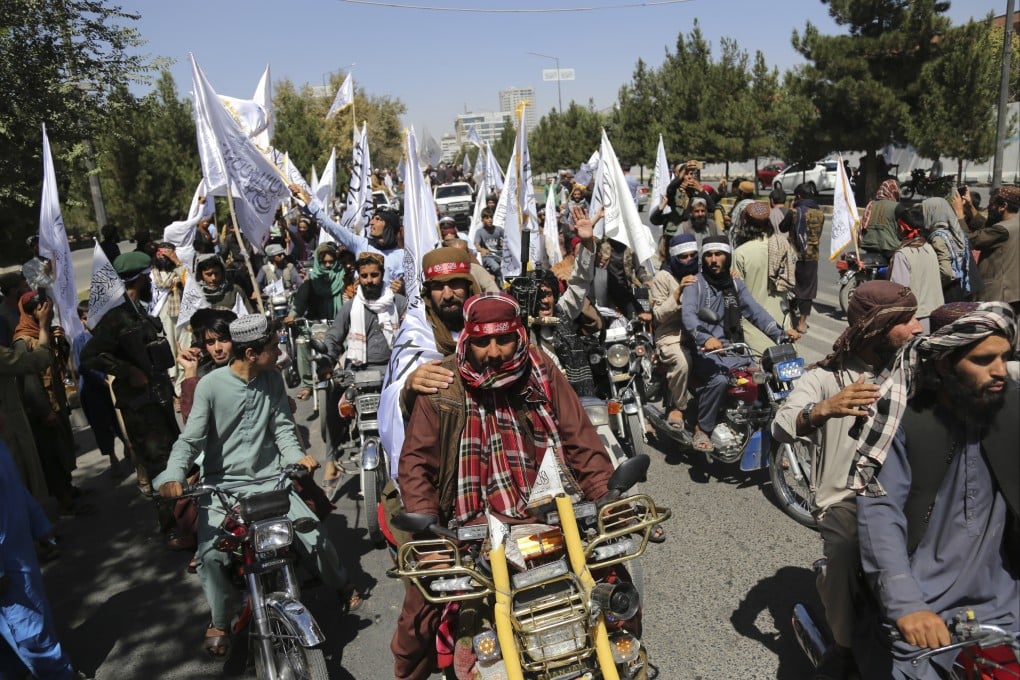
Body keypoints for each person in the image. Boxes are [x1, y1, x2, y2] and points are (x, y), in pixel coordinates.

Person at [391, 292, 617, 680]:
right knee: (419, 617)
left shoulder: (542, 370)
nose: (493, 352)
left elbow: (579, 437)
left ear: (519, 335)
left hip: (548, 514)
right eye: (482, 341)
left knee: (615, 590)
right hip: (470, 527)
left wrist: (607, 497)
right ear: (467, 338)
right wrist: (429, 533)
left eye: (503, 340)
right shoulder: (441, 383)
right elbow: (416, 464)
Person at [154, 315, 359, 656]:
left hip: (272, 480)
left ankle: (342, 584)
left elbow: (282, 427)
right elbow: (190, 440)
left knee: (314, 537)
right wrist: (173, 475)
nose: (279, 352)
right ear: (251, 353)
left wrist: (298, 457)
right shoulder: (210, 385)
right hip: (224, 487)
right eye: (273, 347)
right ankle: (220, 620)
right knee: (210, 557)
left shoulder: (273, 378)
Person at [852, 302, 1018, 680]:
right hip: (926, 601)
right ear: (944, 364)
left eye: (1005, 358)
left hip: (1007, 594)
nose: (1000, 371)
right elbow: (881, 513)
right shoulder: (905, 419)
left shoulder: (1010, 406)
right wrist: (907, 604)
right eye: (984, 359)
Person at [771, 281, 922, 680]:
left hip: (908, 492)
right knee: (846, 548)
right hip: (847, 498)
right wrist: (822, 410)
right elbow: (783, 425)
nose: (918, 328)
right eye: (906, 321)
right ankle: (842, 644)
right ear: (876, 327)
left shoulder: (915, 370)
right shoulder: (825, 377)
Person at [80, 252, 180, 527]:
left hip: (157, 399)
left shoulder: (137, 309)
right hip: (141, 407)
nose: (151, 280)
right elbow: (89, 356)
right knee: (159, 465)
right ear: (138, 279)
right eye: (147, 276)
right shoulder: (116, 318)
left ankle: (182, 520)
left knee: (174, 460)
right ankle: (171, 525)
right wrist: (128, 371)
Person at [681, 236, 799, 453]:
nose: (714, 260)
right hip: (704, 350)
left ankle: (762, 430)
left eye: (719, 254)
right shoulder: (696, 284)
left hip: (733, 348)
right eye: (709, 255)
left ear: (728, 256)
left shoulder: (734, 283)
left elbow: (755, 311)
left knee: (763, 379)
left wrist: (779, 334)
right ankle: (702, 427)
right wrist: (705, 337)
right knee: (719, 380)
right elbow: (688, 316)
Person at [0, 438, 78, 680]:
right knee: (28, 626)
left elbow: (17, 489)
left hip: (18, 554)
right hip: (7, 566)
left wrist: (40, 524)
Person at [11, 292, 82, 517]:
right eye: (44, 312)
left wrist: (60, 342)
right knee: (51, 453)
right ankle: (63, 499)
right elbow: (30, 380)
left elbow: (57, 362)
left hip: (57, 400)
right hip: (43, 406)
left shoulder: (45, 333)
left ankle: (68, 488)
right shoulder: (23, 342)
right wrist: (43, 411)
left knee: (63, 446)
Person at [293, 184, 405, 288]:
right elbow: (331, 226)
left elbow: (412, 287)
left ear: (389, 226)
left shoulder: (402, 256)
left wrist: (401, 288)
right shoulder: (361, 244)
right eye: (372, 218)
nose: (371, 223)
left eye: (378, 219)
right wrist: (309, 201)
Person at [648, 234, 698, 429]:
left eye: (692, 255)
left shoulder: (701, 273)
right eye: (683, 257)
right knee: (682, 362)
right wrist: (677, 295)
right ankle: (679, 406)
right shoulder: (663, 277)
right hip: (670, 333)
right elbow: (659, 314)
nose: (688, 261)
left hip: (699, 331)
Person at [733, 201, 795, 354]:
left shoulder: (741, 253)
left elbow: (735, 293)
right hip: (782, 323)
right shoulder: (784, 246)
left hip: (753, 325)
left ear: (745, 223)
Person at [72, 301, 125, 479]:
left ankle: (128, 446)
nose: (90, 322)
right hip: (92, 390)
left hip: (111, 385)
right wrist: (102, 382)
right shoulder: (79, 341)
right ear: (81, 320)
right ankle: (112, 456)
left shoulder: (104, 335)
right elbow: (82, 368)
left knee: (119, 420)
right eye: (86, 318)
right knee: (102, 425)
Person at [288, 243, 346, 400]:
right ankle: (307, 384)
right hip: (316, 323)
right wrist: (292, 316)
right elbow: (299, 303)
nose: (327, 265)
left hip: (341, 323)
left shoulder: (344, 278)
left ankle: (347, 377)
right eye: (324, 262)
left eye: (330, 262)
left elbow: (351, 299)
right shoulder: (310, 282)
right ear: (318, 263)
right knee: (301, 341)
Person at [888, 207, 943, 333]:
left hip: (914, 319)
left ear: (902, 227)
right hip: (935, 314)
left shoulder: (903, 254)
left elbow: (899, 291)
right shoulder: (929, 248)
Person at [970, 185, 1018, 312]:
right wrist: (970, 208)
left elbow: (972, 240)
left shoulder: (1002, 229)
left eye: (991, 204)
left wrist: (958, 216)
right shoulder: (1013, 223)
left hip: (999, 294)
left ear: (1003, 206)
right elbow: (988, 230)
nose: (988, 207)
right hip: (1014, 292)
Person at [921, 197, 977, 303]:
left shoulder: (938, 238)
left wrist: (933, 286)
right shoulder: (957, 232)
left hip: (949, 292)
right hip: (965, 287)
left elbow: (946, 272)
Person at [789, 183, 825, 334]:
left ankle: (791, 318)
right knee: (807, 290)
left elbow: (784, 227)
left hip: (793, 255)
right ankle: (802, 323)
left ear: (798, 196)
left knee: (791, 287)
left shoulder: (795, 212)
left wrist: (791, 208)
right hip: (812, 256)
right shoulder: (820, 213)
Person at [859, 179, 902, 259]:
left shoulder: (871, 204)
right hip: (889, 247)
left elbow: (863, 225)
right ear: (894, 190)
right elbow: (909, 222)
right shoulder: (896, 206)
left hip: (869, 244)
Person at [0, 273, 30, 347]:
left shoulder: (24, 304)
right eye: (25, 287)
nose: (29, 289)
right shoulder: (4, 317)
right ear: (13, 291)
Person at [473, 208, 504, 279]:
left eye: (491, 217)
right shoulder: (480, 232)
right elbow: (476, 244)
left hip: (499, 254)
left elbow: (508, 238)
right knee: (496, 267)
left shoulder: (498, 229)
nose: (490, 220)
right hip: (488, 256)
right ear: (482, 220)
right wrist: (481, 249)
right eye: (487, 218)